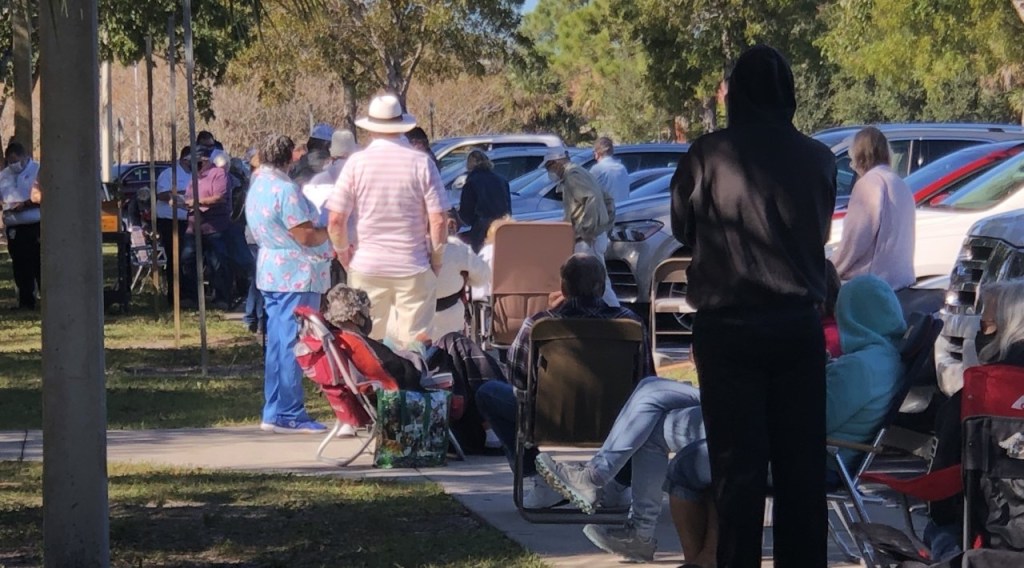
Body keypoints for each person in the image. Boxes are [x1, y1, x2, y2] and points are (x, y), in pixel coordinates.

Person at [536, 275, 907, 565]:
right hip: (777, 424)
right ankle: (637, 522)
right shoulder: (877, 359)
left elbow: (809, 418)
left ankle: (642, 524)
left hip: (795, 445)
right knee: (654, 401)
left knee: (662, 423)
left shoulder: (862, 367)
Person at [669, 45, 838, 567]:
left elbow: (682, 227)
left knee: (737, 474)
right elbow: (820, 231)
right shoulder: (818, 158)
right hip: (796, 328)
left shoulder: (707, 155)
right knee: (800, 475)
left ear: (736, 92)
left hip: (729, 329)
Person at [474, 253, 654, 508]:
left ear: (563, 288)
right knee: (651, 406)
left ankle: (539, 478)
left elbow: (517, 379)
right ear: (603, 287)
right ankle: (618, 484)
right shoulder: (632, 325)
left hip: (549, 419)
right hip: (615, 420)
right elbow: (647, 380)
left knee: (488, 392)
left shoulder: (539, 325)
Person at [326, 93, 448, 350]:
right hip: (412, 263)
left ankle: (373, 389)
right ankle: (410, 388)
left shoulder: (355, 163)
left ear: (370, 128)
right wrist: (436, 260)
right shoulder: (422, 163)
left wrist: (344, 255)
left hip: (368, 263)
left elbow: (336, 220)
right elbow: (438, 220)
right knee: (416, 344)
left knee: (366, 343)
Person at [927, 279, 1024, 560]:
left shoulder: (973, 396)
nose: (978, 332)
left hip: (988, 540)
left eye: (984, 325)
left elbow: (940, 490)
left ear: (1007, 329)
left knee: (940, 530)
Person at [245, 134, 333, 434]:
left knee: (277, 342)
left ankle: (273, 408)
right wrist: (328, 229)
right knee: (294, 343)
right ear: (291, 157)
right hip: (295, 273)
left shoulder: (258, 185)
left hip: (271, 269)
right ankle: (290, 410)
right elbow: (305, 235)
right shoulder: (286, 190)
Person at [831, 126, 916, 290]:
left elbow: (855, 241)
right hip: (901, 282)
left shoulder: (869, 184)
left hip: (873, 285)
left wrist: (831, 270)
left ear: (859, 156)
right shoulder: (899, 183)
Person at [542, 147, 619, 307]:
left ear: (555, 164)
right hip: (596, 234)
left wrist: (588, 229)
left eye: (549, 167)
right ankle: (611, 314)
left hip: (587, 238)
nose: (550, 172)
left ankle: (616, 313)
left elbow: (591, 199)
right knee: (598, 279)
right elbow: (607, 198)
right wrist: (606, 224)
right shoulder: (583, 172)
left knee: (592, 280)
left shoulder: (573, 176)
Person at [180, 148, 235, 309]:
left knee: (217, 262)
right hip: (193, 226)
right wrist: (180, 202)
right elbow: (188, 198)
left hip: (214, 227)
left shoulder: (218, 174)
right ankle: (191, 297)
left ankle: (221, 299)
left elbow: (219, 197)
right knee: (187, 260)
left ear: (203, 160)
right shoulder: (195, 178)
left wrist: (197, 201)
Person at [428, 212, 490, 341]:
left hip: (405, 323)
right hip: (448, 327)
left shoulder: (398, 248)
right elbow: (483, 276)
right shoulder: (455, 247)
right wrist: (465, 278)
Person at [0, 141, 41, 309]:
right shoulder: (4, 175)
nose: (13, 165)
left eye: (16, 160)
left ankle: (46, 297)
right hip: (14, 227)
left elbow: (43, 197)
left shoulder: (37, 171)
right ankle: (26, 300)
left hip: (34, 224)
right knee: (20, 264)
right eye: (10, 161)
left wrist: (24, 205)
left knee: (38, 262)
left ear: (25, 157)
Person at [153, 146, 193, 305]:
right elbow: (162, 195)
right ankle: (175, 295)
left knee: (188, 260)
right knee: (175, 258)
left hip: (188, 221)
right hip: (170, 223)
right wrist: (182, 194)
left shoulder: (194, 175)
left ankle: (189, 294)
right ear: (185, 159)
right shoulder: (169, 174)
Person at [458, 149, 512, 251]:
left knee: (481, 259)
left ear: (471, 164)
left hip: (481, 228)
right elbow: (508, 207)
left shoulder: (471, 182)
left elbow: (466, 213)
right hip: (502, 226)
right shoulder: (502, 180)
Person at [589, 136, 630, 204]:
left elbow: (587, 193)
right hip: (623, 210)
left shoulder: (597, 169)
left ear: (596, 154)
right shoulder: (622, 168)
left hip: (607, 212)